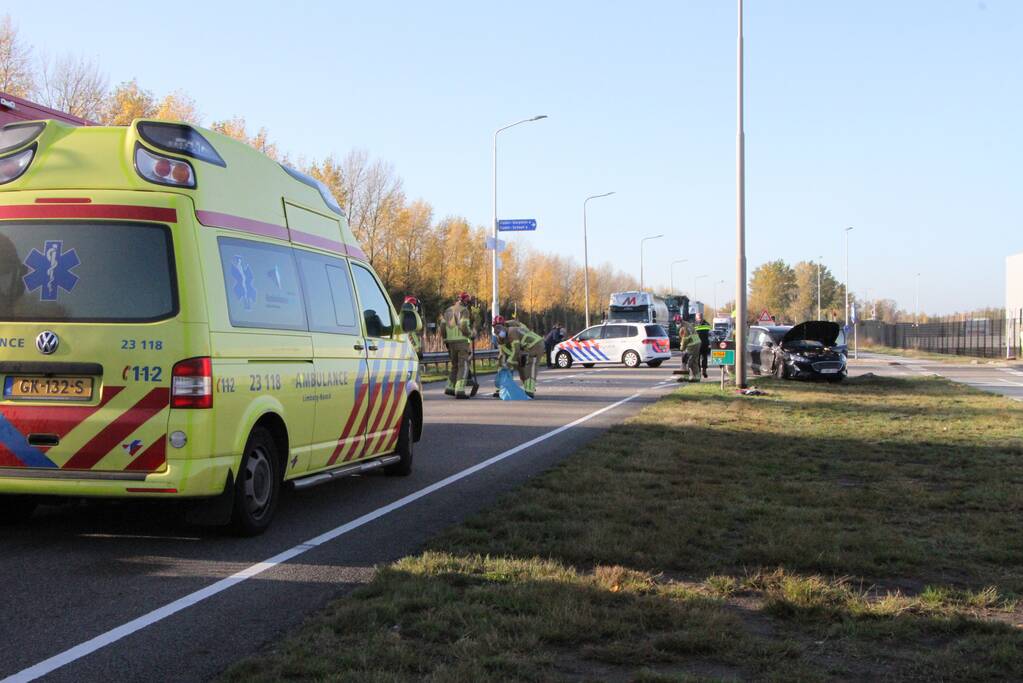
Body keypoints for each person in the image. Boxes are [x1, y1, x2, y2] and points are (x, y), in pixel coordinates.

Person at [493, 315, 545, 398]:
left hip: (534, 346)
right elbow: (503, 350)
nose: (498, 330)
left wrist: (510, 362)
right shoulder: (501, 336)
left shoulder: (512, 330)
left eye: (499, 327)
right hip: (524, 347)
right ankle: (502, 388)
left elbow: (516, 349)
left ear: (504, 325)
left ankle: (529, 391)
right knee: (520, 367)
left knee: (531, 367)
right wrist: (505, 362)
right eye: (496, 328)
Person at [440, 292, 474, 398]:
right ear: (465, 301)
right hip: (462, 341)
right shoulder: (464, 310)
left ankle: (450, 387)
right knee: (463, 366)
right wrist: (471, 334)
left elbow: (442, 326)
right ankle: (460, 390)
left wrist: (445, 339)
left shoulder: (448, 310)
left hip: (450, 342)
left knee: (455, 366)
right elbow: (464, 325)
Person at [401, 296, 424, 361]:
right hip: (411, 355)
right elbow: (412, 338)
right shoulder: (412, 319)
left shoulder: (401, 316)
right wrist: (418, 352)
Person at [694, 313, 712, 378]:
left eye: (700, 317)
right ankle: (698, 372)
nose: (699, 319)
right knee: (697, 359)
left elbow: (710, 333)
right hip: (697, 344)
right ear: (696, 318)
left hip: (704, 343)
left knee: (704, 358)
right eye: (698, 317)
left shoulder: (707, 324)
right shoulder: (693, 325)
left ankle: (704, 371)